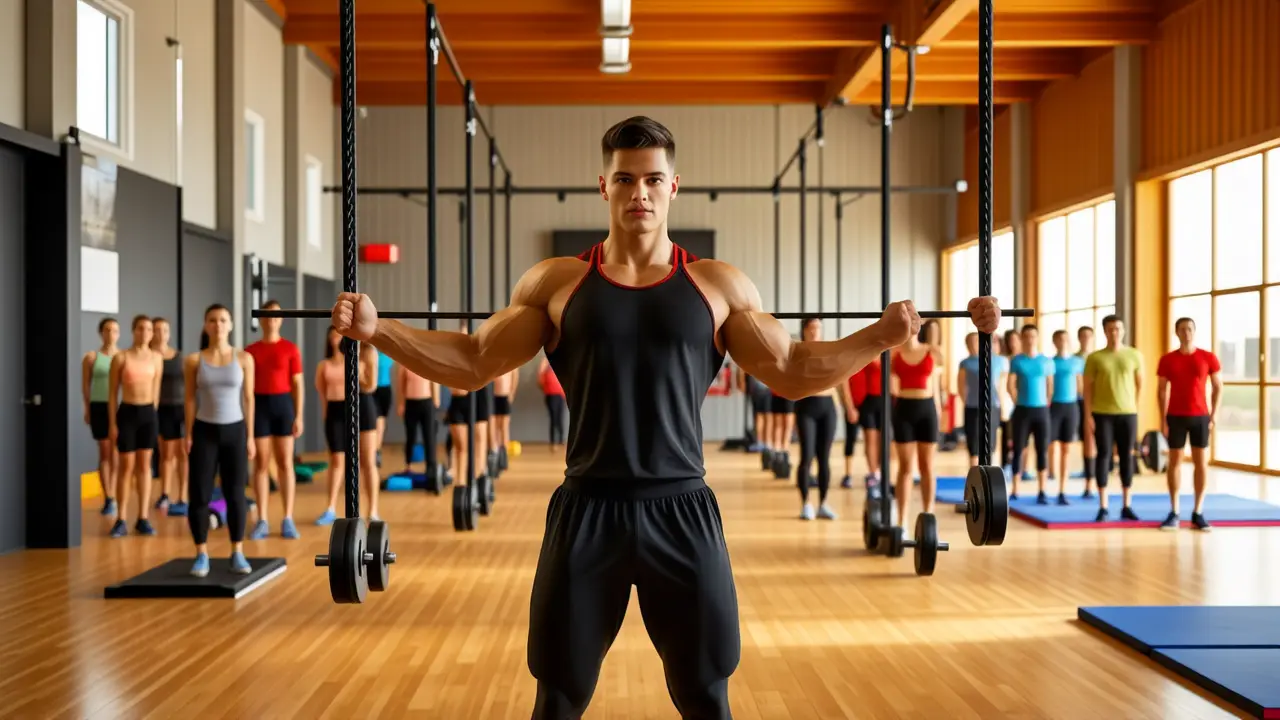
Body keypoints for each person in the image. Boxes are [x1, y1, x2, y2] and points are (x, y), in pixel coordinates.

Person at [330, 116, 1001, 717]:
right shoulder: (557, 284)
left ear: (674, 186)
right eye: (625, 179)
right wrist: (378, 329)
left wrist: (879, 339)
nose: (639, 193)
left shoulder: (717, 287)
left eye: (652, 179)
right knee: (558, 696)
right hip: (586, 510)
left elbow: (794, 370)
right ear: (604, 186)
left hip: (682, 510)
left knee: (707, 696)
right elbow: (475, 358)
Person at [184, 304, 256, 577]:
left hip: (235, 431)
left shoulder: (244, 358)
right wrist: (188, 434)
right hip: (204, 432)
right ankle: (201, 553)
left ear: (231, 325)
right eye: (212, 320)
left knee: (236, 494)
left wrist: (250, 436)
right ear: (206, 325)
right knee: (199, 494)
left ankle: (237, 550)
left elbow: (249, 398)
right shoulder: (193, 360)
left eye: (223, 320)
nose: (218, 325)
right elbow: (190, 399)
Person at [244, 300, 304, 540]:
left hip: (283, 406)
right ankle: (262, 520)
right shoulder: (250, 351)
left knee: (285, 464)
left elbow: (298, 385)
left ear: (281, 319)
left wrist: (298, 415)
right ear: (260, 319)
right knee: (260, 465)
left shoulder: (291, 349)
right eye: (267, 315)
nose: (271, 319)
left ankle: (287, 518)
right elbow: (246, 392)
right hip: (260, 407)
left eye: (276, 315)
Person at [1156, 317, 1221, 531]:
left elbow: (1218, 387)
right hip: (1175, 416)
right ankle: (1174, 511)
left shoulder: (1207, 357)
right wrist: (1162, 418)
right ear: (1176, 332)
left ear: (1195, 331)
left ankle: (1198, 512)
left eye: (1190, 329)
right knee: (1174, 462)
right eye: (1182, 329)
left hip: (1200, 417)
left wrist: (1214, 415)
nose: (1186, 332)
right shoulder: (1167, 360)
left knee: (1201, 463)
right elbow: (1162, 391)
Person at [313, 326, 382, 525]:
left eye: (340, 333)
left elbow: (371, 385)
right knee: (337, 461)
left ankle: (373, 510)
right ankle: (330, 508)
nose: (336, 336)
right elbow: (322, 395)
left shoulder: (366, 352)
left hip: (363, 407)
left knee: (367, 460)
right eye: (333, 333)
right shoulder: (324, 364)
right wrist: (326, 419)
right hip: (336, 412)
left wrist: (355, 366)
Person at [105, 315, 163, 538]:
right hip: (127, 413)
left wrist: (153, 415)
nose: (145, 333)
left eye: (149, 329)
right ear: (133, 331)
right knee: (126, 467)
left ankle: (143, 517)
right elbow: (112, 394)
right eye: (140, 329)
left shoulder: (157, 358)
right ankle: (121, 518)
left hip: (148, 413)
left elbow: (156, 390)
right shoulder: (121, 358)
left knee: (145, 466)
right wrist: (112, 423)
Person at [1083, 314, 1144, 522]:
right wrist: (1088, 415)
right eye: (1111, 329)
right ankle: (1103, 506)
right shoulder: (1095, 358)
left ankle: (1127, 504)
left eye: (1118, 328)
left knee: (1127, 456)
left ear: (1123, 330)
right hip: (1102, 414)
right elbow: (1087, 390)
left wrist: (1134, 407)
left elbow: (1139, 385)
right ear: (1105, 331)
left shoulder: (1134, 355)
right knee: (1103, 455)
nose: (1115, 332)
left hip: (1128, 413)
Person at [889, 325, 943, 532]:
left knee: (927, 466)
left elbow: (939, 375)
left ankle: (929, 516)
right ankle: (902, 521)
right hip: (904, 410)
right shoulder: (895, 354)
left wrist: (939, 411)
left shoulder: (931, 351)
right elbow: (889, 382)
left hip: (926, 409)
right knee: (905, 468)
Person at [793, 318, 840, 520]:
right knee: (807, 456)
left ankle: (823, 503)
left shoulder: (829, 349)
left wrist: (844, 405)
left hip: (827, 406)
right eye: (811, 328)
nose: (815, 332)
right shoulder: (797, 351)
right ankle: (806, 503)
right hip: (806, 407)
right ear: (804, 330)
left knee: (824, 457)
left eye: (818, 328)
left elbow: (839, 378)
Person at [1007, 324, 1054, 503]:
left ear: (1037, 338)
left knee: (1042, 450)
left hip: (1041, 410)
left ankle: (1042, 490)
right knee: (1018, 449)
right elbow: (1010, 385)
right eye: (1026, 336)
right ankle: (1015, 489)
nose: (1029, 339)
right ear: (1022, 338)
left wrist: (1046, 402)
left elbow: (1050, 385)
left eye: (1033, 336)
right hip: (1022, 410)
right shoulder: (1017, 361)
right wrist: (1017, 400)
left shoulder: (1046, 361)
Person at [150, 317, 189, 516]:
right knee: (165, 454)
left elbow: (190, 384)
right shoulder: (147, 356)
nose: (161, 333)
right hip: (159, 409)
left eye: (165, 329)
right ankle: (165, 493)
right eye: (157, 329)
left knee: (182, 454)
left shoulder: (178, 357)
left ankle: (182, 495)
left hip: (180, 408)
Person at [82, 317, 120, 516]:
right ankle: (109, 497)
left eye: (114, 330)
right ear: (101, 333)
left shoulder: (123, 356)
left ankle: (114, 492)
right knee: (105, 450)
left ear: (119, 334)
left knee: (116, 454)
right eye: (107, 330)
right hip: (99, 407)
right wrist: (87, 408)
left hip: (120, 408)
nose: (110, 334)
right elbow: (86, 386)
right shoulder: (91, 357)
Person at [956, 332, 1009, 468]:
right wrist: (968, 401)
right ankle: (975, 477)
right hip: (973, 407)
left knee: (991, 445)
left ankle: (990, 477)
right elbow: (961, 387)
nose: (974, 344)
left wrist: (1003, 408)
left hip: (993, 407)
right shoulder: (965, 363)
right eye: (970, 342)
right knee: (973, 445)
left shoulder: (999, 361)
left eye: (976, 341)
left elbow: (1002, 387)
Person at [1048, 329, 1084, 504]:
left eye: (1065, 338)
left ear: (1069, 341)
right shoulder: (1050, 362)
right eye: (1059, 339)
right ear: (1054, 342)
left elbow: (1081, 385)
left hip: (1071, 407)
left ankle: (1062, 489)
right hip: (1054, 406)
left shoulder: (1077, 362)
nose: (1062, 342)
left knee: (1066, 449)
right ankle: (1051, 476)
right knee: (1052, 446)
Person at [395, 360, 439, 475]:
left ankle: (431, 467)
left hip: (427, 403)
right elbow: (401, 384)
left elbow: (434, 381)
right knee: (411, 436)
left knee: (429, 436)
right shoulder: (405, 363)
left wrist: (436, 398)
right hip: (411, 403)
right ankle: (408, 465)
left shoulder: (428, 363)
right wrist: (401, 403)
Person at [857, 354, 885, 492]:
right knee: (870, 439)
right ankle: (873, 473)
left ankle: (879, 471)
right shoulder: (867, 353)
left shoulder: (890, 354)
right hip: (868, 401)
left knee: (882, 440)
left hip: (884, 402)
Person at [1076, 325, 1097, 497]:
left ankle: (1096, 475)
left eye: (1089, 336)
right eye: (1083, 336)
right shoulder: (1075, 358)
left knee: (1096, 439)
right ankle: (1088, 475)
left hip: (1099, 402)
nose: (1086, 339)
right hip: (1080, 401)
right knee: (1086, 438)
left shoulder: (1097, 357)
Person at [836, 358, 863, 489]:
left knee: (875, 442)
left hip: (869, 404)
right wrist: (849, 407)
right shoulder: (850, 361)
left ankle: (874, 474)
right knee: (850, 439)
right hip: (854, 405)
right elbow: (844, 385)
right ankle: (848, 474)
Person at [999, 328, 1021, 474]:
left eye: (1015, 340)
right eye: (1010, 341)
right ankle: (1005, 464)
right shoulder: (1003, 360)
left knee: (1021, 436)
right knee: (1007, 434)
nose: (1013, 343)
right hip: (1007, 400)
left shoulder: (1023, 359)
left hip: (1023, 400)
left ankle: (1021, 467)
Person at [537, 356, 566, 450]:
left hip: (560, 394)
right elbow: (540, 378)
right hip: (551, 395)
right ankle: (553, 442)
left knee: (560, 417)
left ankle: (561, 440)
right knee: (553, 418)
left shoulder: (561, 361)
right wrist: (546, 389)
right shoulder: (545, 363)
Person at [491, 368, 518, 468]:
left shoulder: (511, 365)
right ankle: (496, 453)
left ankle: (504, 455)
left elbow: (515, 378)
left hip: (505, 396)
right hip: (494, 396)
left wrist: (512, 393)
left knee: (504, 426)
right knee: (495, 426)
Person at [373, 349, 395, 467]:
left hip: (385, 391)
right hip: (372, 390)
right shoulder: (370, 351)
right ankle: (374, 450)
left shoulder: (388, 353)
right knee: (377, 422)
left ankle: (377, 450)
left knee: (381, 422)